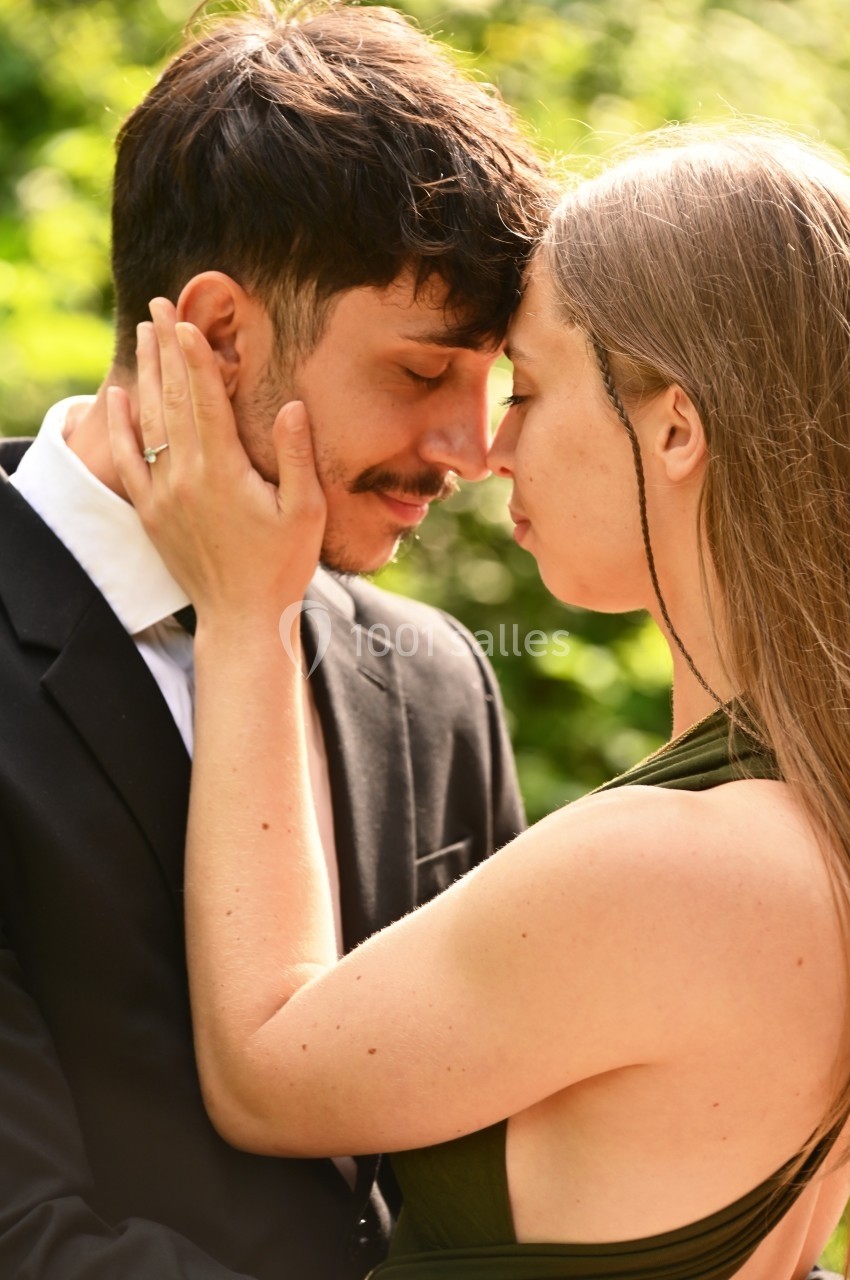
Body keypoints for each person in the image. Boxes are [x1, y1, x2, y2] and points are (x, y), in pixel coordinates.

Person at [110, 121, 850, 1280]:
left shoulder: (686, 864)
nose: (490, 446)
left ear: (675, 426)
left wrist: (247, 615)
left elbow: (263, 1070)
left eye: (532, 387)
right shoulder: (796, 814)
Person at [0, 4, 551, 1277]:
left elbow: (497, 1152)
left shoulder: (431, 680)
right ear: (219, 330)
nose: (472, 454)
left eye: (496, 386)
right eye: (422, 375)